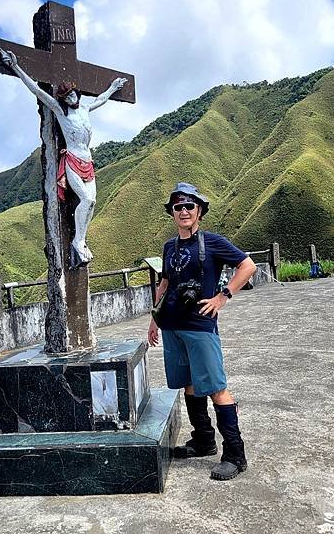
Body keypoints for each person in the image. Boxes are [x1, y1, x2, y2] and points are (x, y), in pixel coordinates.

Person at [147, 183, 257, 481]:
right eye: (177, 207)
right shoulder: (170, 246)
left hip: (199, 325)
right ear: (172, 213)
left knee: (216, 388)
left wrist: (223, 296)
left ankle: (235, 454)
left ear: (199, 211)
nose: (183, 211)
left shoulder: (213, 242)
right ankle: (203, 440)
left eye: (189, 206)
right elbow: (166, 282)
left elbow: (248, 266)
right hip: (172, 326)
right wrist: (155, 318)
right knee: (190, 384)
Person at [0, 47, 127, 268]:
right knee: (86, 200)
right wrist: (16, 67)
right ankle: (78, 241)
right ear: (63, 99)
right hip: (73, 161)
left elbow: (103, 99)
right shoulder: (60, 111)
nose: (72, 98)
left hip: (88, 161)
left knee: (92, 202)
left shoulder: (85, 109)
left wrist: (113, 88)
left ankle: (81, 240)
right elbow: (38, 93)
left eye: (73, 94)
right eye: (67, 96)